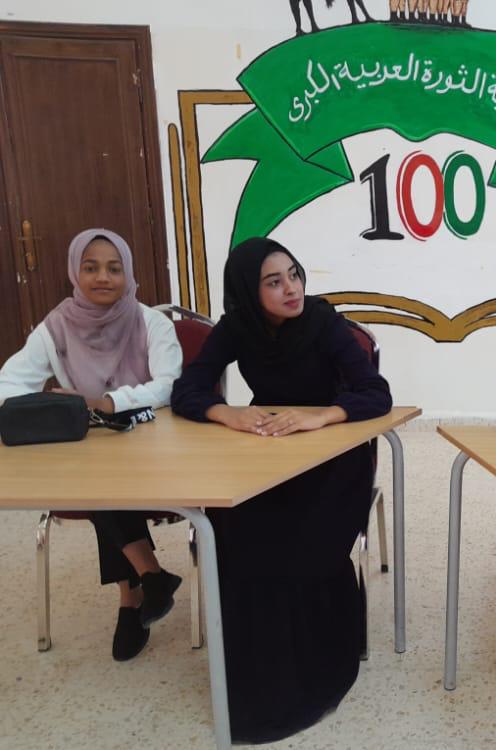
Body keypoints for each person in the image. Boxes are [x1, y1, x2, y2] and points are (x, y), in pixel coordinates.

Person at [170, 237, 392, 744]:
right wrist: (227, 413)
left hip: (333, 455)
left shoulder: (323, 322)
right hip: (267, 451)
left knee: (298, 538)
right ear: (249, 292)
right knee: (234, 525)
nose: (292, 288)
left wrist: (323, 415)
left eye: (294, 274)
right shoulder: (237, 327)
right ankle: (252, 675)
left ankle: (312, 667)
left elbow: (375, 394)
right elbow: (189, 389)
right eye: (274, 281)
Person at [0, 228, 183, 661]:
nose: (103, 277)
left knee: (100, 484)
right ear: (74, 272)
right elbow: (9, 383)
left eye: (114, 268)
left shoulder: (151, 323)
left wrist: (105, 402)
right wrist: (44, 406)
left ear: (128, 273)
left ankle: (132, 595)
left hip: (157, 446)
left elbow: (168, 386)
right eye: (91, 267)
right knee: (96, 476)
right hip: (91, 447)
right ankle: (148, 576)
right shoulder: (56, 327)